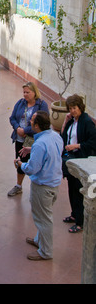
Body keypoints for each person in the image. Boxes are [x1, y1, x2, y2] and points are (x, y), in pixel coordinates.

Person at [15, 111, 64, 260]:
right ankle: (39, 240)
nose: (29, 123)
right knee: (43, 215)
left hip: (43, 187)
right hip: (53, 183)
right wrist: (32, 150)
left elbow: (32, 169)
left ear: (37, 126)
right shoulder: (55, 136)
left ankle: (46, 252)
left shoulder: (40, 144)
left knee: (43, 219)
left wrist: (20, 164)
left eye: (31, 121)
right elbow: (52, 152)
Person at [61, 94, 96, 233]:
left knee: (79, 190)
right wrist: (65, 122)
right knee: (72, 189)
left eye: (74, 108)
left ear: (80, 107)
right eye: (70, 108)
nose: (72, 111)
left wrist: (77, 146)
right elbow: (64, 137)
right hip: (71, 160)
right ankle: (74, 215)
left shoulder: (87, 121)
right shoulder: (72, 121)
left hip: (80, 159)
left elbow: (93, 142)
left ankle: (80, 222)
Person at [8, 81, 49, 197]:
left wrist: (25, 130)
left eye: (28, 92)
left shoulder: (41, 105)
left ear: (34, 92)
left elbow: (43, 123)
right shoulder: (20, 103)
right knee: (20, 161)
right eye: (24, 92)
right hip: (20, 139)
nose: (25, 94)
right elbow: (12, 118)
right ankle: (18, 186)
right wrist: (17, 128)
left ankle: (36, 187)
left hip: (34, 140)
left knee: (36, 163)